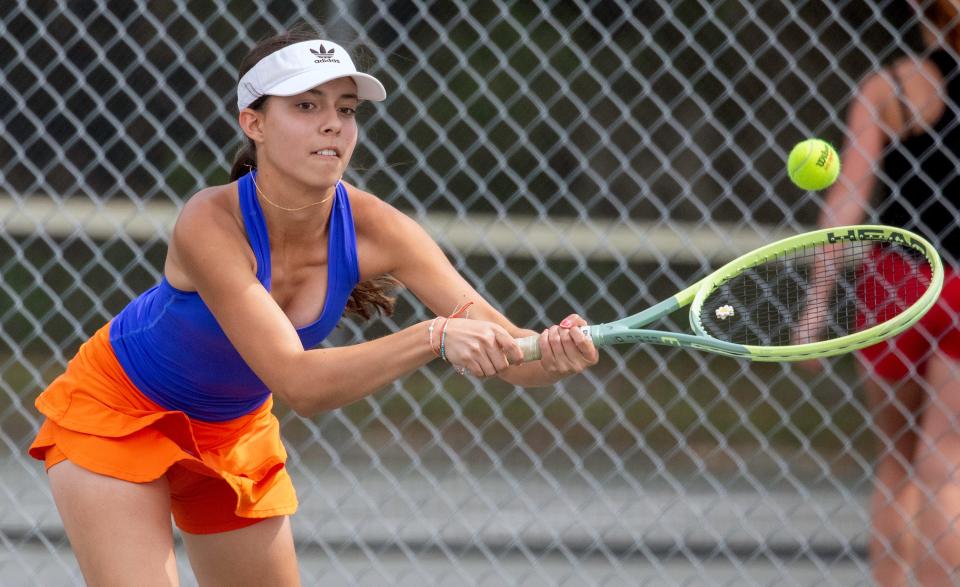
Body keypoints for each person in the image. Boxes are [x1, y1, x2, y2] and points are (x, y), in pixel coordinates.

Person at [28, 27, 598, 585]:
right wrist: (434, 336)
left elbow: (514, 350)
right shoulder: (211, 219)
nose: (333, 122)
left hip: (232, 433)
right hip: (119, 415)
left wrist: (555, 352)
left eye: (346, 109)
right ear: (253, 123)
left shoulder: (380, 228)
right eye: (306, 104)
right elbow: (298, 383)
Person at [812, 1, 960, 584]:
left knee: (896, 463)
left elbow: (846, 204)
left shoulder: (890, 87)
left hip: (896, 282)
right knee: (945, 463)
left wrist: (812, 315)